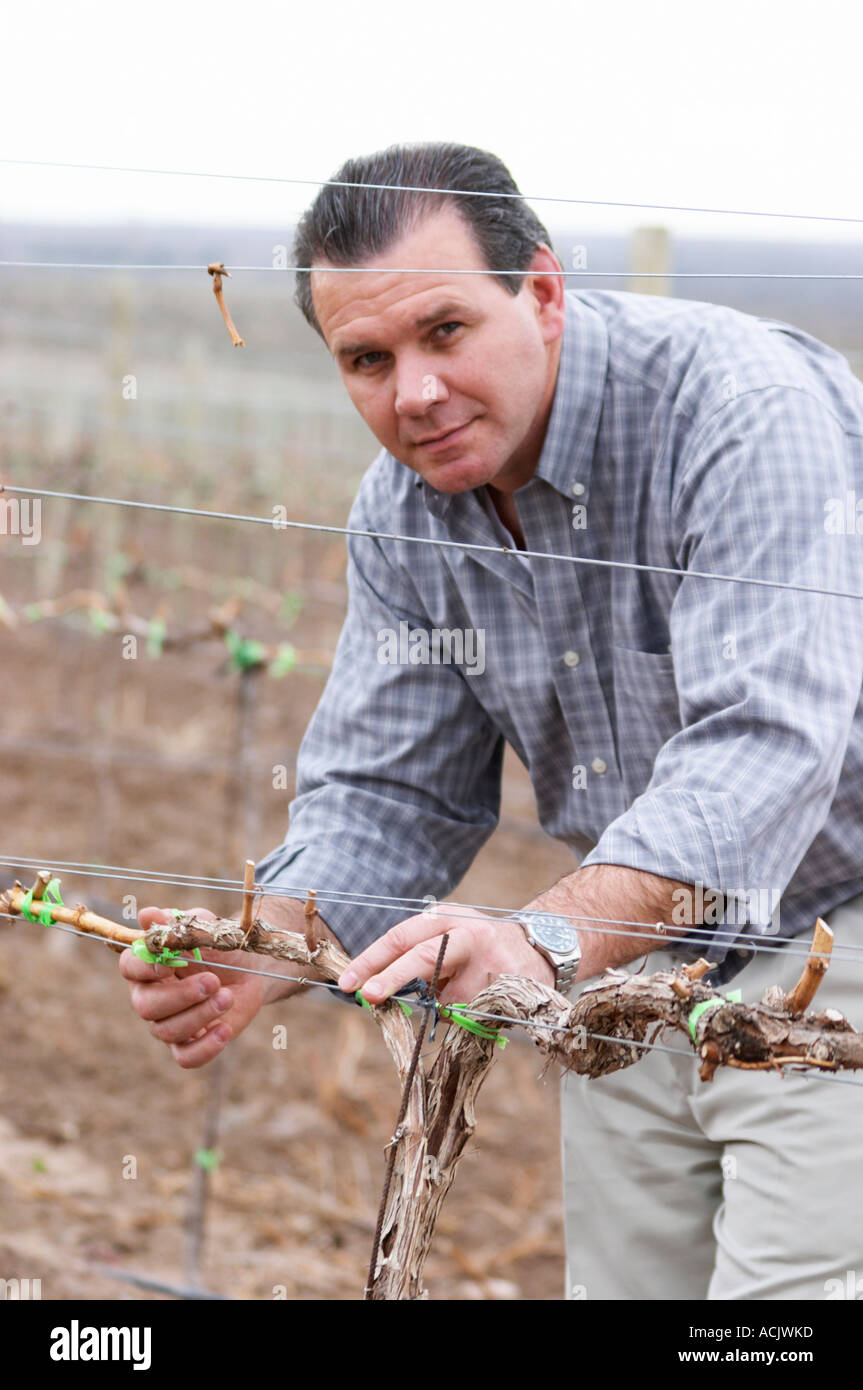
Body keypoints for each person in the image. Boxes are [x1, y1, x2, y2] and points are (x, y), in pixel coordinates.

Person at [122, 142, 863, 1300]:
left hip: (836, 924)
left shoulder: (737, 413)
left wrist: (538, 941)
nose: (411, 391)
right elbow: (393, 789)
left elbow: (765, 749)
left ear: (545, 294)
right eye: (367, 358)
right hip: (629, 957)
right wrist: (263, 942)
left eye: (445, 332)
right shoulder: (405, 510)